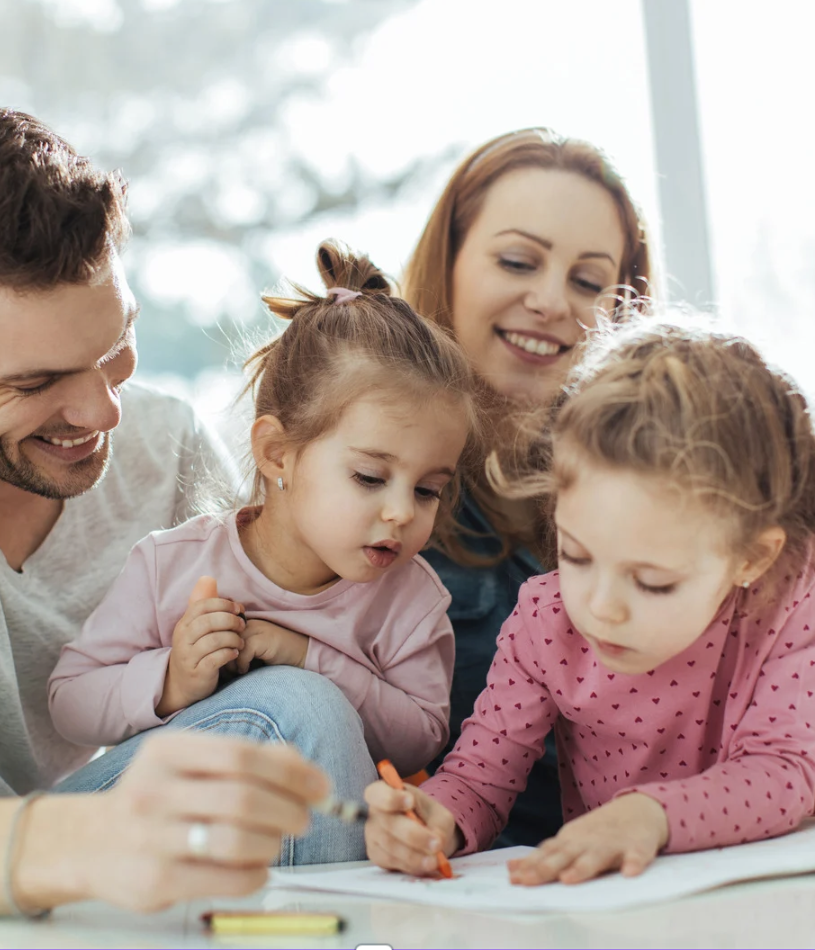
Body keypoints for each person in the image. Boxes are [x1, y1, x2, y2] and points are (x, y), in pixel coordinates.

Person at [0, 106, 375, 917]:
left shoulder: (166, 445)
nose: (104, 413)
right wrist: (77, 845)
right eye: (35, 384)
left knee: (299, 711)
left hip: (98, 863)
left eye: (115, 352)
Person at [364, 318, 815, 884]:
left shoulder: (792, 604)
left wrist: (647, 816)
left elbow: (785, 770)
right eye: (577, 556)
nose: (601, 606)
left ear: (752, 558)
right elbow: (479, 780)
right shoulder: (546, 618)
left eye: (652, 582)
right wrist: (434, 819)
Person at [49, 241, 479, 778]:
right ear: (278, 453)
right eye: (370, 477)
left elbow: (421, 742)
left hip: (311, 838)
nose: (400, 512)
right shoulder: (171, 566)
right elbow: (69, 703)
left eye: (427, 490)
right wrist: (172, 679)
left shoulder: (410, 601)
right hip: (160, 829)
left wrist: (307, 659)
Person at [402, 127, 654, 845]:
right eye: (518, 261)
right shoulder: (359, 483)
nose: (550, 301)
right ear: (447, 261)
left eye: (586, 281)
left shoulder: (663, 489)